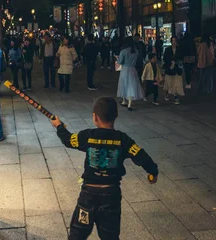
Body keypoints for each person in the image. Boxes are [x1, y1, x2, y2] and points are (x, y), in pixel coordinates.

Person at [50, 97, 158, 239]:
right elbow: (142, 157)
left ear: (95, 117)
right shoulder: (123, 139)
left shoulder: (87, 136)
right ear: (116, 116)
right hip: (111, 195)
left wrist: (59, 126)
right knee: (110, 235)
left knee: (77, 234)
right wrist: (153, 173)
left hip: (88, 195)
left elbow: (68, 140)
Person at [116, 37, 144, 110]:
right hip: (133, 69)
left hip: (125, 69)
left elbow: (120, 62)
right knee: (131, 86)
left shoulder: (123, 51)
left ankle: (124, 101)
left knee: (124, 85)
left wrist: (117, 58)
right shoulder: (136, 51)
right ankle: (129, 104)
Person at [163, 36, 185, 105]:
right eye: (172, 41)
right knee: (168, 83)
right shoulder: (167, 49)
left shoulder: (180, 49)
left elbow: (182, 58)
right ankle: (167, 93)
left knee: (176, 83)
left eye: (175, 41)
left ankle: (176, 97)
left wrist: (177, 62)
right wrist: (170, 62)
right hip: (169, 69)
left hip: (176, 69)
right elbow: (165, 59)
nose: (174, 42)